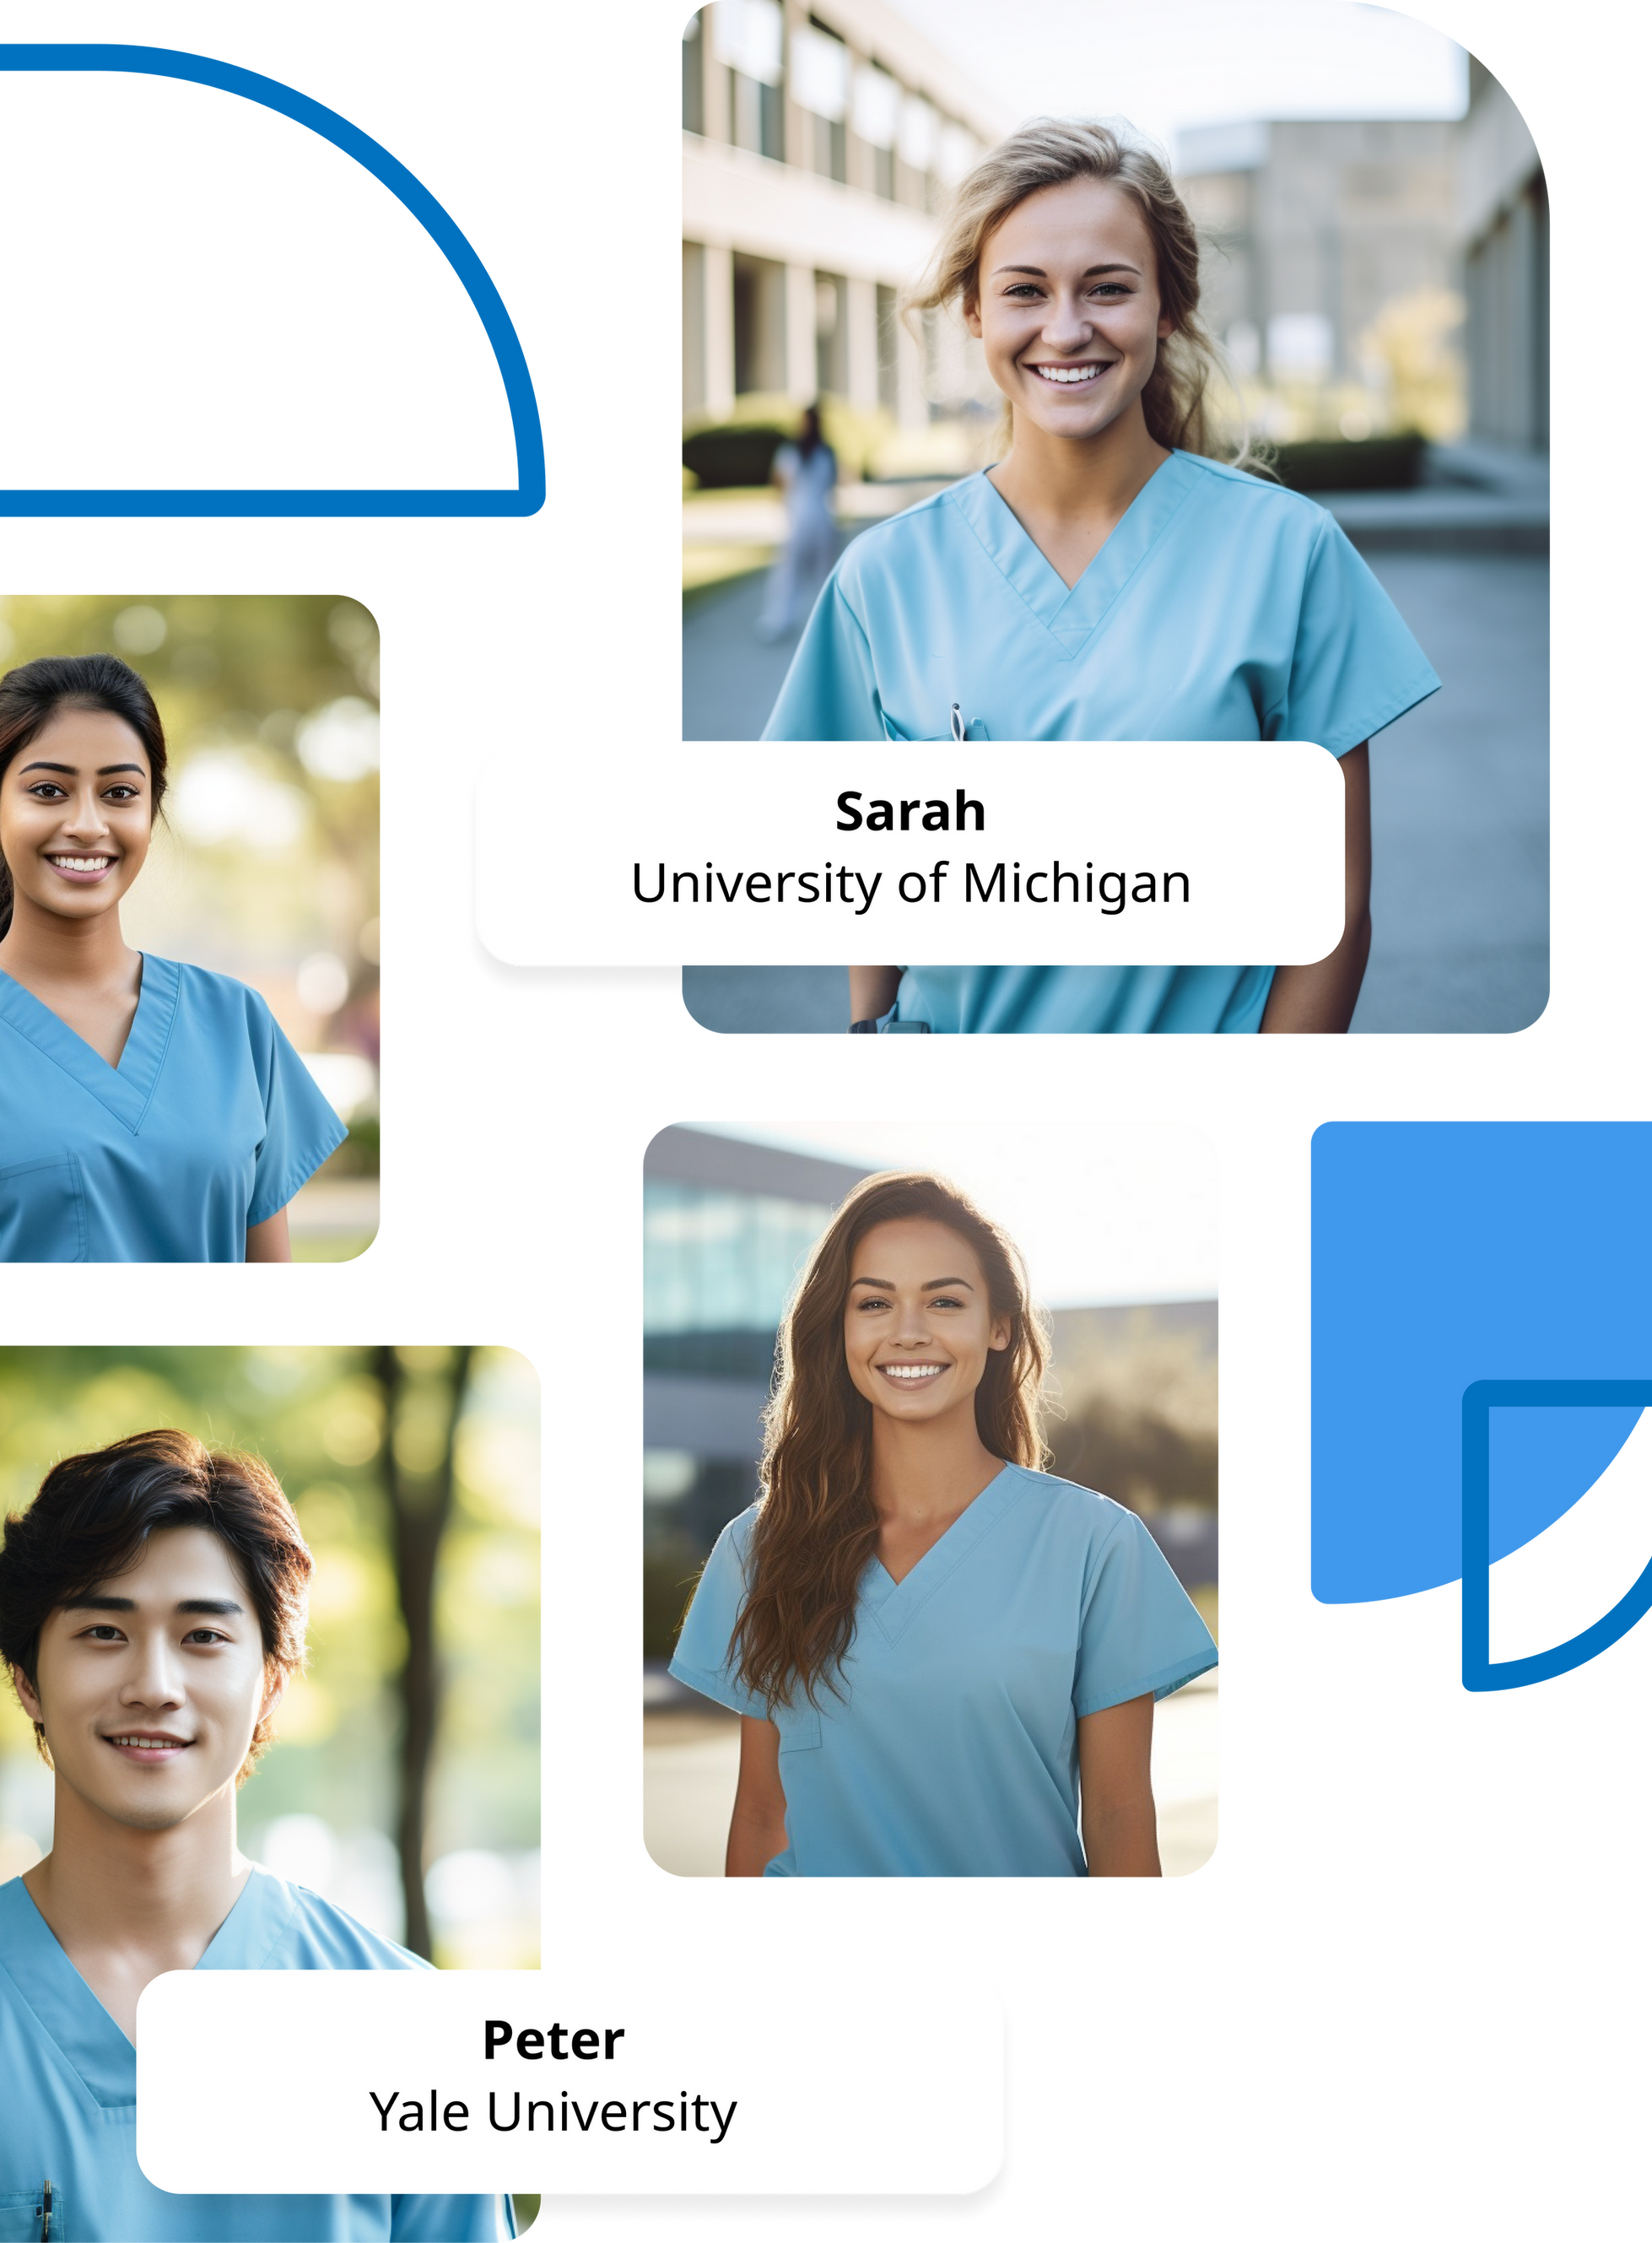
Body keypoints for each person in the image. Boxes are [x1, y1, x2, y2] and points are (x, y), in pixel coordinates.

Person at [763, 117, 1439, 1036]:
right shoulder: (883, 579)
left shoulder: (1290, 555)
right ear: (975, 313)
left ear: (1167, 306)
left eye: (1108, 289)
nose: (1066, 329)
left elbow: (1331, 914)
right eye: (1025, 291)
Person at [0, 1430, 516, 2241]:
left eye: (203, 1636)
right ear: (26, 1678)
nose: (154, 1687)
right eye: (103, 1633)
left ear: (271, 1681)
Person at [669, 1173, 1219, 1879]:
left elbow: (1118, 1818)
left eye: (944, 1300)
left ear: (999, 1328)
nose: (907, 1331)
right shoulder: (759, 1547)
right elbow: (760, 1815)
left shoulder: (1096, 1545)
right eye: (874, 1302)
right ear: (839, 1329)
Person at [0, 654, 347, 1266]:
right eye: (49, 791)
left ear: (149, 815)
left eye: (120, 793)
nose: (86, 824)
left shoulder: (237, 1023)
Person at [757, 403, 841, 639]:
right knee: (823, 575)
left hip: (800, 519)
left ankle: (780, 621)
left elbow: (779, 486)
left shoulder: (790, 452)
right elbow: (834, 486)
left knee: (789, 573)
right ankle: (828, 625)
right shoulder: (827, 452)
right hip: (823, 519)